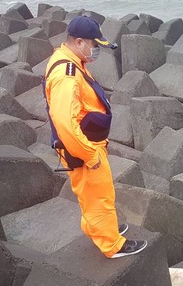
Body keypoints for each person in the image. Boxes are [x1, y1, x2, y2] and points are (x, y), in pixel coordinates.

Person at [43, 16, 147, 258]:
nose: (97, 50)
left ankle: (99, 227)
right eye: (95, 45)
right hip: (84, 146)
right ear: (79, 42)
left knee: (92, 193)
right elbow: (64, 122)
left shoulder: (70, 60)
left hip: (86, 142)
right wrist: (90, 155)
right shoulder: (67, 74)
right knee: (99, 195)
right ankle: (112, 244)